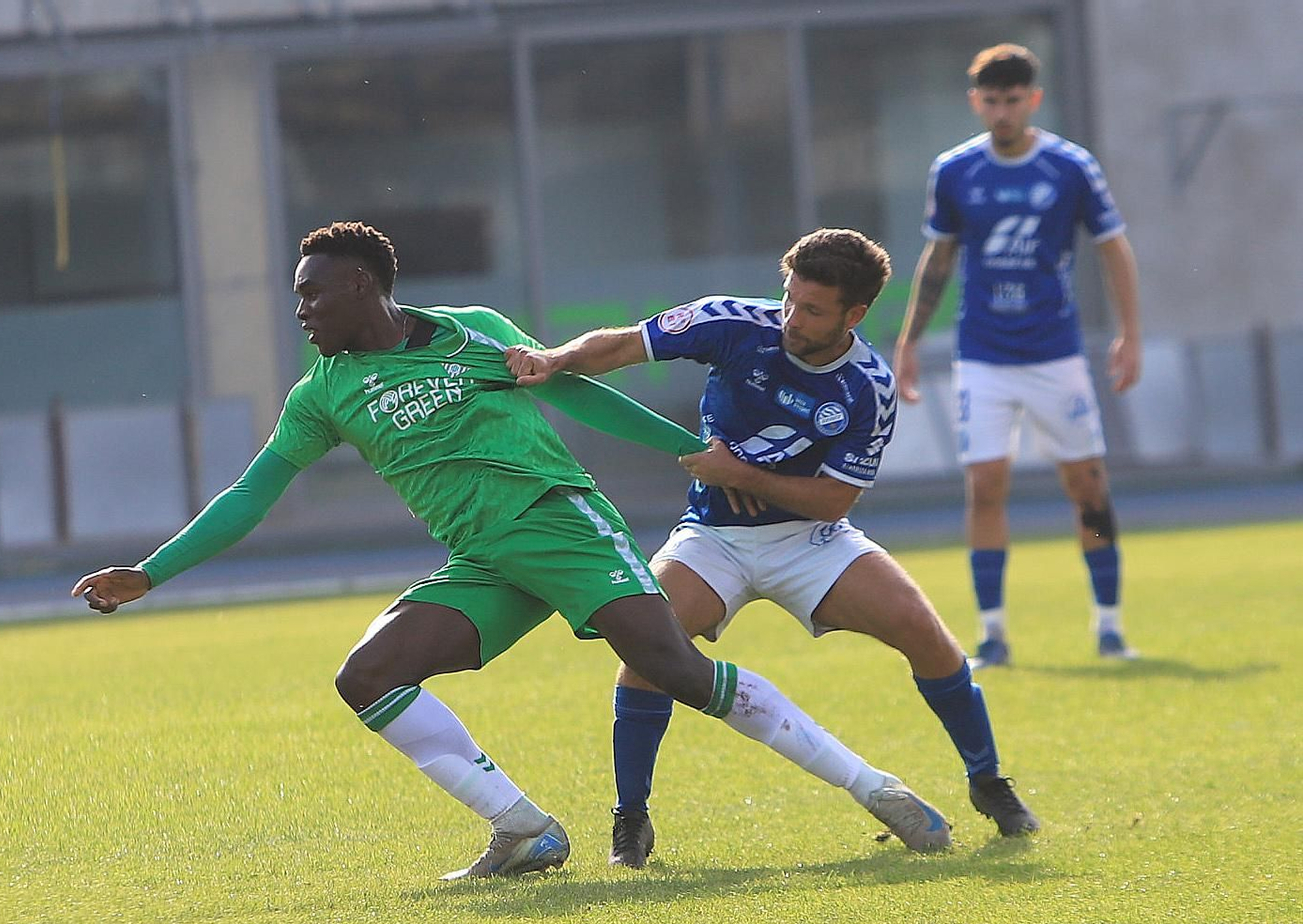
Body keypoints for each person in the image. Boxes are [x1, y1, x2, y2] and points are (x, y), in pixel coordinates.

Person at [74, 221, 952, 881]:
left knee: (677, 672)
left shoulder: (474, 331)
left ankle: (873, 788)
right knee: (367, 677)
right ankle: (525, 830)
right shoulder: (322, 396)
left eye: (312, 293)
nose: (300, 309)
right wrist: (149, 572)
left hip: (559, 522)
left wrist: (686, 452)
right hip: (487, 561)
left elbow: (579, 394)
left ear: (361, 284)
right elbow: (249, 495)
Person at [507, 228, 1041, 867]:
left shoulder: (867, 387)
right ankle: (631, 819)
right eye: (789, 298)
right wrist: (558, 360)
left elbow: (834, 502)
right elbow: (622, 345)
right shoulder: (731, 323)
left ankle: (988, 782)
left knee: (923, 632)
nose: (792, 318)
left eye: (812, 310)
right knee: (647, 647)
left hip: (808, 539)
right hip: (712, 537)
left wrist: (743, 476)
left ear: (854, 315)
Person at [891, 43, 1143, 668]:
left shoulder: (1069, 167)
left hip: (1056, 354)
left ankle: (1110, 624)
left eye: (1013, 100)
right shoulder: (954, 171)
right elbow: (940, 258)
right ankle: (992, 634)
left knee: (1087, 487)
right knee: (985, 485)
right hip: (984, 354)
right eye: (991, 101)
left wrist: (1129, 332)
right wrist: (910, 341)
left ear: (1032, 99)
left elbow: (1112, 246)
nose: (1002, 112)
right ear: (976, 102)